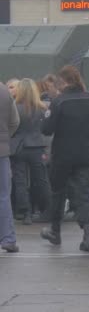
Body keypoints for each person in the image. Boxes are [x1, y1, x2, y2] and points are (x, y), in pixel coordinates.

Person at [40, 66, 89, 252]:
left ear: (63, 82)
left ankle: (55, 231)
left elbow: (47, 129)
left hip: (63, 154)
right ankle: (88, 234)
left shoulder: (59, 102)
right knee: (84, 193)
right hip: (86, 153)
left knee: (58, 192)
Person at [10, 79, 52, 225]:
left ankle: (25, 212)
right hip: (37, 146)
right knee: (41, 180)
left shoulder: (14, 107)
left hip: (18, 147)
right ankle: (46, 208)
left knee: (20, 181)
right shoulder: (43, 108)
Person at [0, 82, 20, 253]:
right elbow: (14, 122)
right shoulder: (4, 91)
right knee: (3, 197)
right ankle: (8, 238)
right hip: (1, 153)